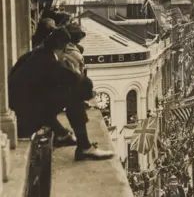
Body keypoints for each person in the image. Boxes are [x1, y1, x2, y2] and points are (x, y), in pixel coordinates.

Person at [8, 28, 114, 161]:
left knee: (60, 94)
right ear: (63, 48)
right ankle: (84, 146)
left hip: (17, 115)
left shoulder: (36, 54)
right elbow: (84, 84)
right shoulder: (50, 62)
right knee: (74, 97)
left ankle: (62, 134)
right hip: (23, 122)